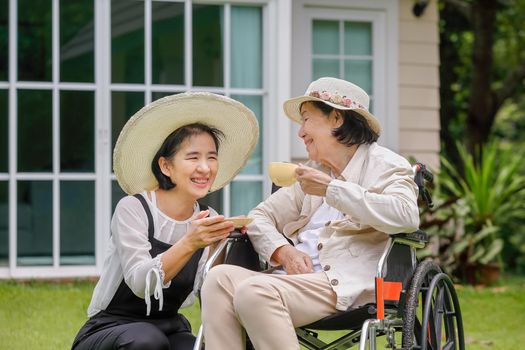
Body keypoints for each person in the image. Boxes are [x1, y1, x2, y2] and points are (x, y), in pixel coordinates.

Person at [200, 77, 421, 350]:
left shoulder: (385, 165)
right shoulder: (313, 173)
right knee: (217, 279)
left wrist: (332, 189)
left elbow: (406, 215)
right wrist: (284, 251)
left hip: (344, 282)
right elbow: (259, 217)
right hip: (296, 283)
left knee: (254, 291)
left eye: (306, 119)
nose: (300, 132)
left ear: (337, 119)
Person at [71, 92, 259, 350]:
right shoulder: (133, 209)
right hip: (112, 329)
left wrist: (224, 253)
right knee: (147, 341)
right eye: (193, 157)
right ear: (165, 166)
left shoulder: (209, 219)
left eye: (212, 157)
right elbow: (139, 283)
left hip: (170, 328)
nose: (205, 168)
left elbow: (208, 293)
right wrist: (190, 242)